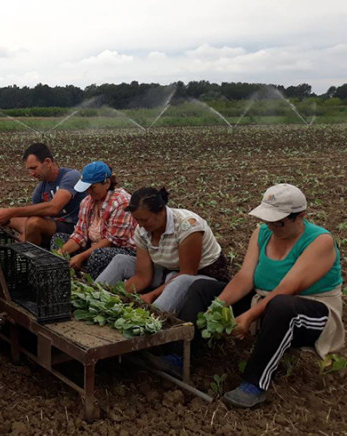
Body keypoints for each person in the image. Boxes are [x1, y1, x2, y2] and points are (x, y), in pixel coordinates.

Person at [173, 184, 343, 408]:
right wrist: (217, 306)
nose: (271, 226)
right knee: (202, 289)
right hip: (265, 300)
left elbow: (287, 288)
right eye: (268, 219)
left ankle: (255, 383)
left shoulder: (320, 241)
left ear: (300, 216)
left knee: (282, 307)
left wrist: (249, 316)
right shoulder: (262, 233)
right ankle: (179, 356)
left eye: (278, 221)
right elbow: (245, 278)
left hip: (312, 311)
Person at [95, 187, 228, 313]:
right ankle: (95, 297)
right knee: (121, 261)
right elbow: (143, 276)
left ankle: (152, 319)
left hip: (201, 277)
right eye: (137, 220)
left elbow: (187, 273)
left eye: (145, 219)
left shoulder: (188, 226)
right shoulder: (142, 231)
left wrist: (151, 296)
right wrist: (118, 296)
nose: (140, 224)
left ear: (161, 211)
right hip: (168, 271)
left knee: (177, 284)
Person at [51, 161, 136, 279]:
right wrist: (60, 253)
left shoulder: (121, 202)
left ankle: (93, 283)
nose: (89, 192)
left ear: (106, 183)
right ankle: (65, 276)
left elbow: (111, 241)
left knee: (98, 255)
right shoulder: (87, 202)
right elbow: (80, 235)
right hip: (93, 247)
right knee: (58, 239)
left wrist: (81, 257)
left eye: (92, 188)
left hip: (121, 250)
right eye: (87, 188)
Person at [0, 143, 83, 247]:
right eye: (29, 169)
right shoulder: (40, 189)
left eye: (34, 168)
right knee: (10, 220)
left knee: (33, 223)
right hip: (53, 225)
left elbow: (54, 207)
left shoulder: (70, 176)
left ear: (48, 162)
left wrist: (12, 211)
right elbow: (35, 213)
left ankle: (28, 255)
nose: (32, 173)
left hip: (74, 227)